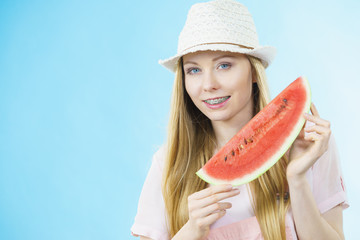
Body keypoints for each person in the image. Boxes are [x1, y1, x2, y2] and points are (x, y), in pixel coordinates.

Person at [131, 0, 349, 239]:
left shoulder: (310, 144)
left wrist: (297, 181)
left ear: (254, 72)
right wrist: (192, 230)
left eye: (224, 65)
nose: (208, 85)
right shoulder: (167, 163)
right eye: (194, 70)